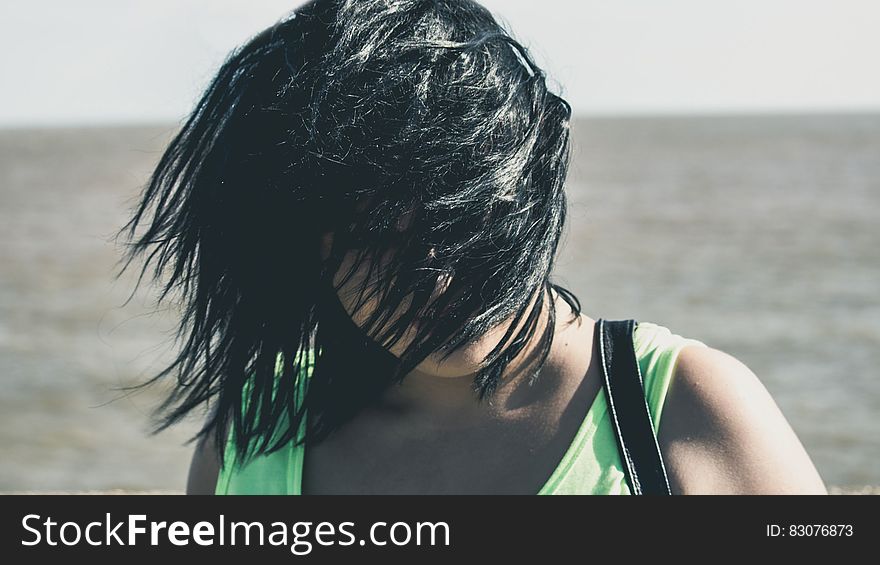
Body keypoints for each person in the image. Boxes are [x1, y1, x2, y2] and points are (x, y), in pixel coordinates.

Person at [117, 0, 827, 495]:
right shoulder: (254, 430)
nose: (439, 273)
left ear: (527, 192)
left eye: (465, 214)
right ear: (303, 240)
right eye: (372, 232)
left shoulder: (675, 408)